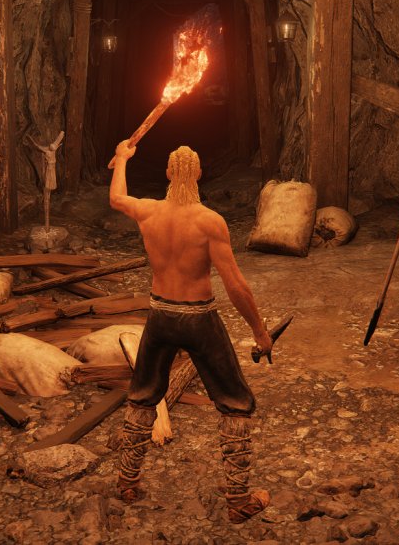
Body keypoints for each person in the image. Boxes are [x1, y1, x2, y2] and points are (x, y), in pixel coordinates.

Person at [109, 139, 274, 524]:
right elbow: (236, 286)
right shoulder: (209, 222)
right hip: (199, 319)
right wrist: (260, 332)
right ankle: (238, 499)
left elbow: (116, 198)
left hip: (161, 316)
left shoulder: (148, 211)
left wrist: (122, 159)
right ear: (198, 174)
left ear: (169, 173)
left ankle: (128, 482)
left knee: (143, 396)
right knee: (234, 402)